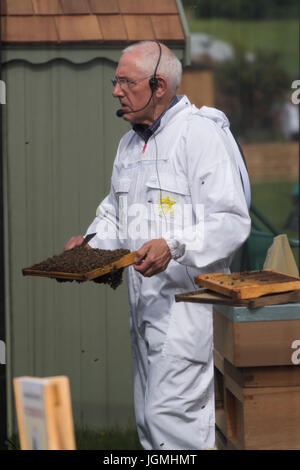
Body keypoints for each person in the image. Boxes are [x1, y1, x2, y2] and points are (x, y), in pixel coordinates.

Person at [65, 41, 251, 450]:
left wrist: (173, 246)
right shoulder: (130, 144)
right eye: (116, 81)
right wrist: (90, 246)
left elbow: (230, 221)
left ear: (159, 85)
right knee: (150, 425)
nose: (116, 90)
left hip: (188, 311)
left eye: (126, 82)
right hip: (143, 308)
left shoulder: (199, 134)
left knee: (174, 426)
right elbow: (115, 213)